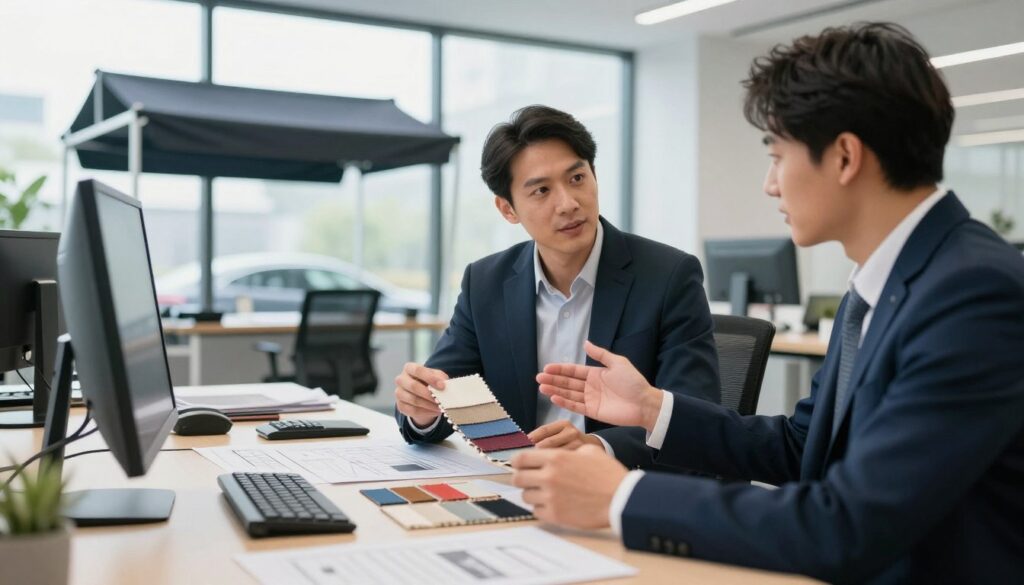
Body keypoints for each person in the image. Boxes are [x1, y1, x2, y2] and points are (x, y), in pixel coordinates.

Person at [512, 23, 1024, 584]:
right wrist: (655, 409)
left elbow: (846, 527)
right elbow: (803, 446)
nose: (770, 184)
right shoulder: (880, 285)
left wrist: (622, 497)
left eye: (778, 156)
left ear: (846, 157)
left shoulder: (973, 293)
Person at [394, 105, 720, 468]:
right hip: (519, 484)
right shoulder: (485, 283)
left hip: (626, 488)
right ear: (508, 210)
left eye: (577, 178)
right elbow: (441, 391)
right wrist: (421, 410)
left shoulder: (668, 275)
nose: (568, 204)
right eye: (541, 191)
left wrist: (598, 445)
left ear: (594, 175)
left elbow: (694, 414)